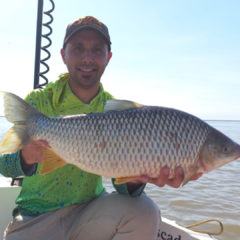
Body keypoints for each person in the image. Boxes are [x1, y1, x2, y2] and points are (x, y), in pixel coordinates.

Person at [1, 16, 202, 240]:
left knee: (145, 211)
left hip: (89, 214)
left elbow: (122, 187)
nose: (87, 58)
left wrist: (141, 176)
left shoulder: (118, 111)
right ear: (63, 54)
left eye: (97, 49)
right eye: (78, 48)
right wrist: (26, 158)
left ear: (108, 57)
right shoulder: (38, 101)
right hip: (36, 217)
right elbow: (3, 165)